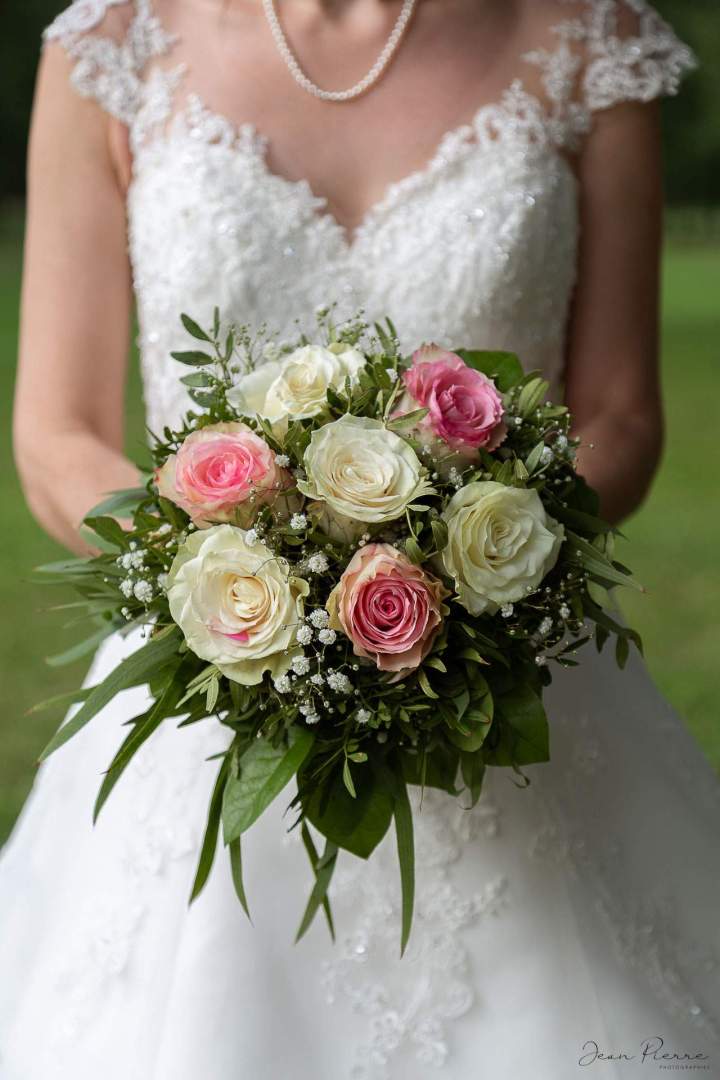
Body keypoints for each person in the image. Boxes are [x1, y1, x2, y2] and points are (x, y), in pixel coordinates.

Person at [2, 1, 718, 1077]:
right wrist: (237, 578)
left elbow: (621, 417)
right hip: (211, 683)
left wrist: (468, 566)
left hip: (510, 676)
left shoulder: (590, 41)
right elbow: (57, 434)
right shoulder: (109, 48)